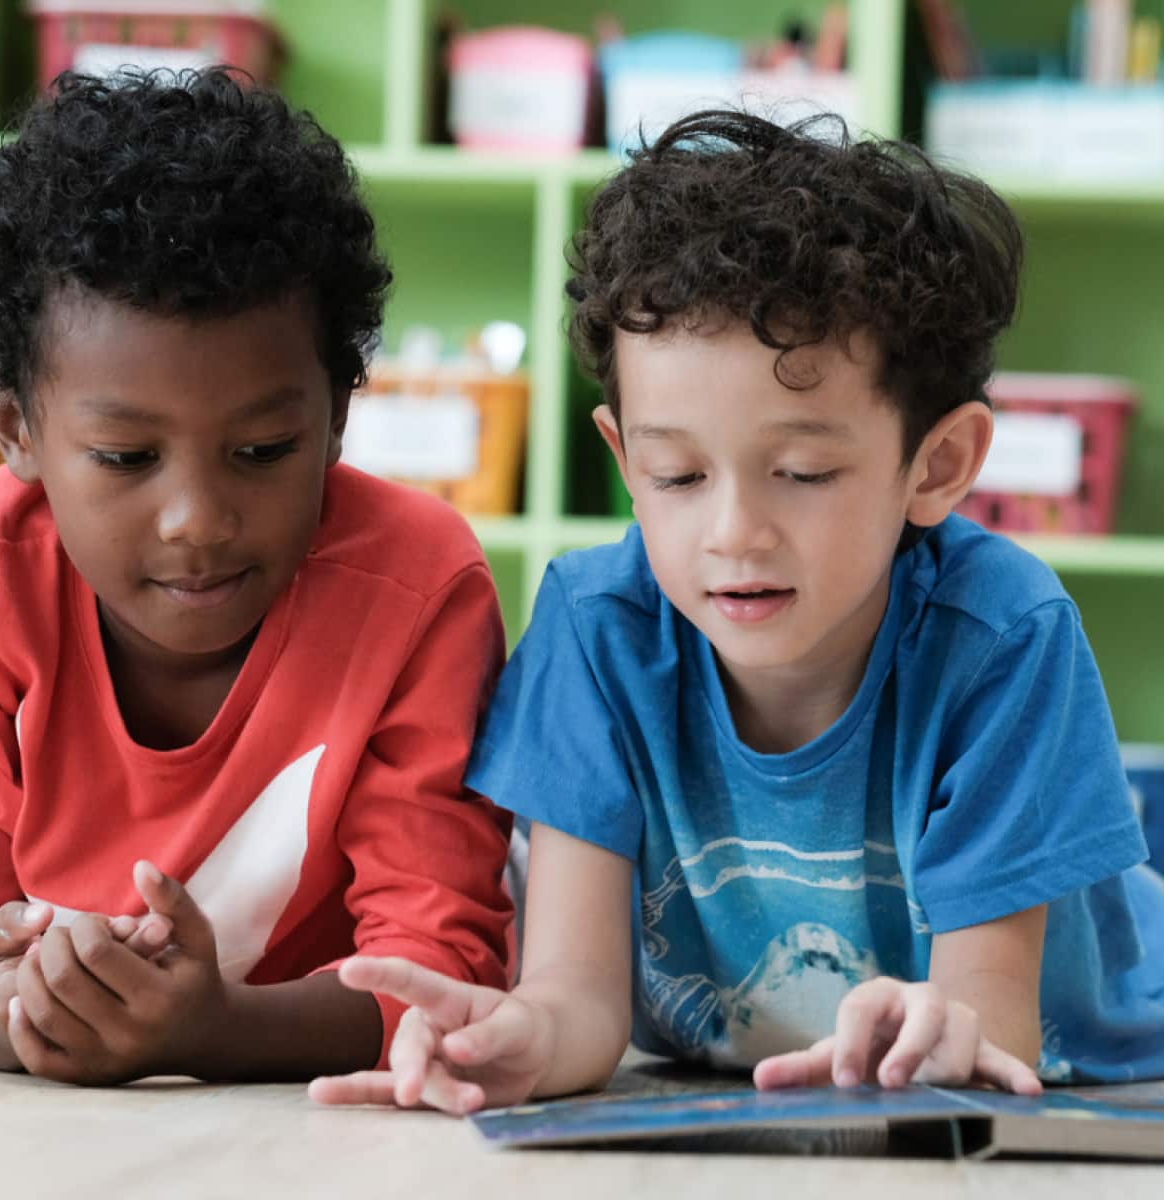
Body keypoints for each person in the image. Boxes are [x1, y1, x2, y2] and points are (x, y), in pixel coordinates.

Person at [309, 110, 1164, 1114]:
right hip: (748, 1085)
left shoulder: (1003, 638)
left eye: (801, 471)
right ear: (625, 460)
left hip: (1100, 1064)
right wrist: (519, 1039)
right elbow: (578, 1004)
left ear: (936, 467)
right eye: (677, 473)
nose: (734, 532)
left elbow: (991, 1022)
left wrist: (940, 1032)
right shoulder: (596, 631)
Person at [0, 68, 512, 1086]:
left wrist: (212, 1030)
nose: (197, 521)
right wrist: (17, 1014)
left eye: (262, 449)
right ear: (15, 428)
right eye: (127, 459)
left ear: (339, 413)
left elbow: (446, 969)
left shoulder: (419, 591)